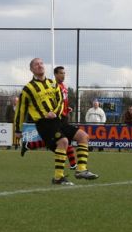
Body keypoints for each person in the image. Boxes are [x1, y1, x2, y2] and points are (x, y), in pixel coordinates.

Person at [14, 57, 97, 185]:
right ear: (31, 69)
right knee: (63, 142)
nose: (40, 65)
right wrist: (18, 129)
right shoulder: (28, 88)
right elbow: (21, 109)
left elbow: (60, 101)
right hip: (44, 123)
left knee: (83, 137)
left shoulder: (53, 84)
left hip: (58, 120)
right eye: (36, 64)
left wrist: (55, 113)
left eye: (41, 63)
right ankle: (58, 177)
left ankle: (81, 170)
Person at [20, 66, 77, 168]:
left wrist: (66, 109)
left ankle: (28, 145)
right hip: (56, 118)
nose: (63, 75)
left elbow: (62, 102)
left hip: (63, 117)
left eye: (64, 73)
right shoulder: (52, 86)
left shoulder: (63, 87)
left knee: (55, 141)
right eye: (61, 73)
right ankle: (74, 165)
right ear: (55, 74)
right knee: (62, 141)